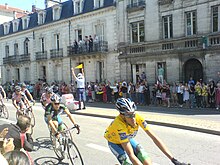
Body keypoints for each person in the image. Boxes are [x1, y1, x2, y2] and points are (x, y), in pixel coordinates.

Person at [104, 98, 189, 165]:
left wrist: (173, 160)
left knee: (147, 162)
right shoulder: (119, 125)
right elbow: (131, 155)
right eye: (129, 116)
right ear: (122, 116)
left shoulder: (138, 118)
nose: (133, 118)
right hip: (115, 142)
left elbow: (154, 138)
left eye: (133, 114)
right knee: (128, 163)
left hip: (128, 139)